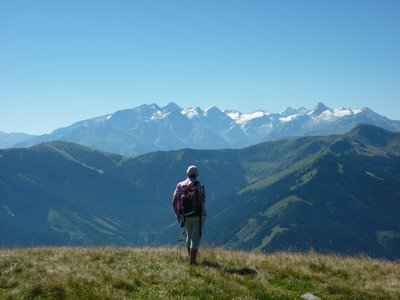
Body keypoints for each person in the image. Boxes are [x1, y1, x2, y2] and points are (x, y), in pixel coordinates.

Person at [172, 165, 206, 265]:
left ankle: (190, 259)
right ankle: (192, 263)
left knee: (189, 236)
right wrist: (203, 191)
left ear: (187, 173)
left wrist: (178, 214)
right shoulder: (198, 185)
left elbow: (174, 201)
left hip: (185, 215)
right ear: (197, 174)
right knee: (195, 239)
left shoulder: (179, 185)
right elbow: (202, 200)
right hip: (198, 215)